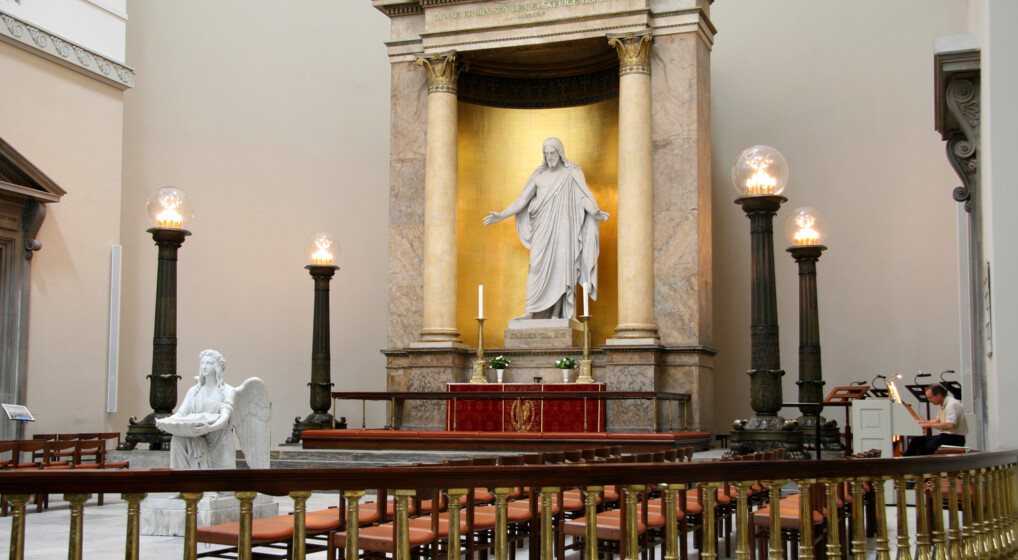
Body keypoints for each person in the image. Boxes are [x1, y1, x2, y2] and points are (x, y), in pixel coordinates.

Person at [483, 137, 608, 320]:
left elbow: (583, 197)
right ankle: (531, 311)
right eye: (547, 153)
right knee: (536, 265)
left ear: (560, 153)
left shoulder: (570, 174)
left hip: (564, 229)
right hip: (542, 228)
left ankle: (557, 314)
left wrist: (594, 211)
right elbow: (522, 200)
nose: (550, 157)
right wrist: (501, 215)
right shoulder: (539, 177)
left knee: (561, 267)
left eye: (553, 153)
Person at [157, 349, 237, 469]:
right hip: (198, 433)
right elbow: (181, 414)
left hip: (219, 439)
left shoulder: (227, 390)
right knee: (177, 440)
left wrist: (209, 427)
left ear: (217, 367)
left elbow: (225, 418)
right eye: (202, 363)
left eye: (209, 363)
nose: (204, 366)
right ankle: (184, 483)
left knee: (222, 483)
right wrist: (166, 422)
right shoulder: (194, 391)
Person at [903, 383, 967, 456]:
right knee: (916, 441)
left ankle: (924, 466)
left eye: (930, 397)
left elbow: (950, 425)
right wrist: (921, 422)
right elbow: (938, 421)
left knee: (927, 447)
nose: (929, 400)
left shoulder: (951, 404)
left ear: (939, 395)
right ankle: (906, 464)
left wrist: (926, 425)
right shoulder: (943, 403)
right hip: (946, 437)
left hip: (955, 439)